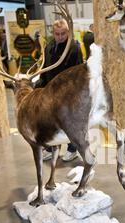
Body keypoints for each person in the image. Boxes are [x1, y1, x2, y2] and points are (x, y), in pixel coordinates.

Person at [38, 19, 83, 162]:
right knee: (51, 122)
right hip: (51, 93)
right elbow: (45, 69)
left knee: (69, 123)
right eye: (57, 34)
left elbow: (79, 71)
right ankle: (52, 149)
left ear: (68, 33)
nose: (60, 37)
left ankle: (72, 149)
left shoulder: (74, 48)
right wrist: (40, 86)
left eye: (63, 33)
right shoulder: (49, 47)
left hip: (68, 93)